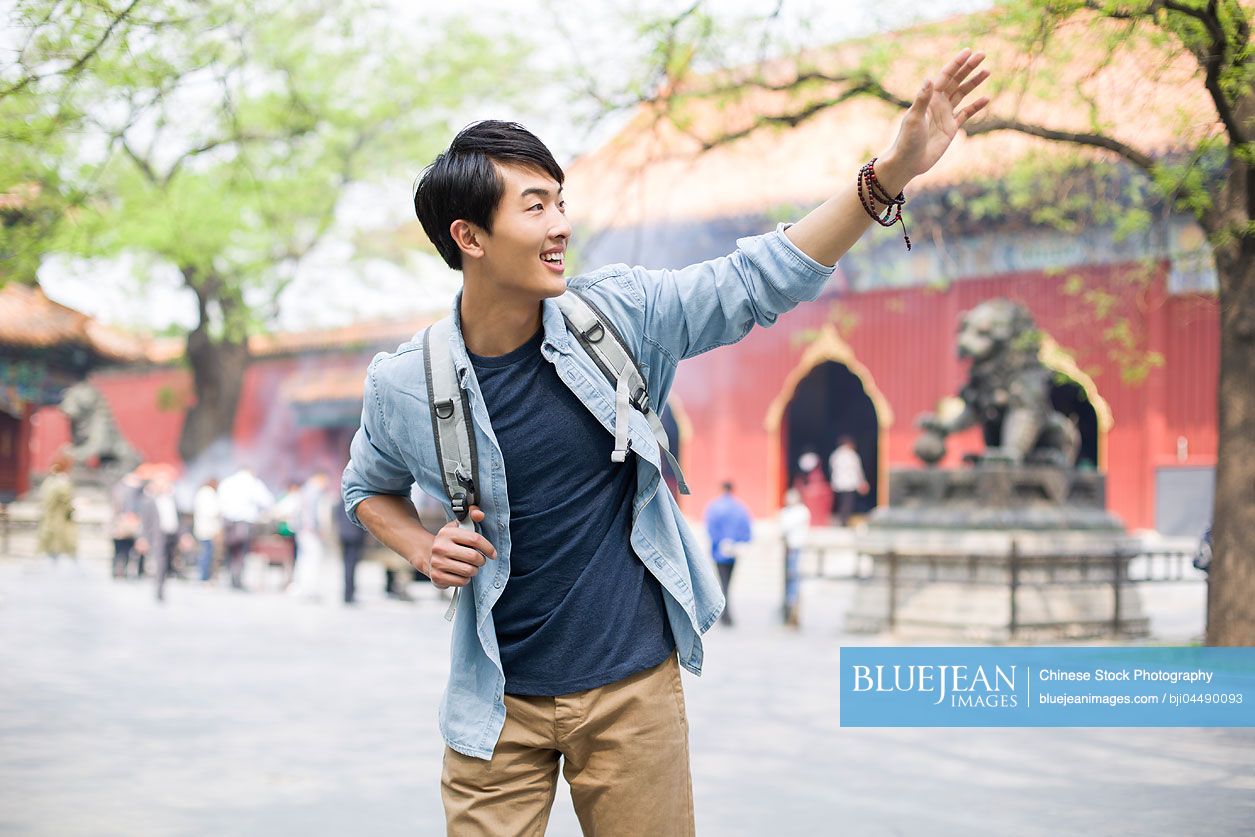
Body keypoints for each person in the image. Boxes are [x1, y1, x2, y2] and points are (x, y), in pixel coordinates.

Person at [342, 49, 989, 836]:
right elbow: (364, 488)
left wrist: (886, 176)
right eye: (535, 207)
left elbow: (758, 278)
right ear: (469, 237)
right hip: (494, 704)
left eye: (560, 202)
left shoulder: (620, 314)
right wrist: (416, 543)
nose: (561, 226)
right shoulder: (406, 382)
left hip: (631, 692)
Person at [217, 466, 275, 591]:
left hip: (228, 523)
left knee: (230, 551)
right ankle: (237, 579)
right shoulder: (253, 483)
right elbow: (266, 501)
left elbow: (220, 503)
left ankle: (231, 577)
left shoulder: (227, 482)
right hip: (244, 523)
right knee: (241, 552)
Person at [704, 481, 753, 627]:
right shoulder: (740, 508)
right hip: (734, 551)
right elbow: (746, 528)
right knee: (728, 583)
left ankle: (725, 613)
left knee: (723, 582)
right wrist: (738, 542)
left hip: (719, 551)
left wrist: (720, 542)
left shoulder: (714, 507)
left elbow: (710, 528)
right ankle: (727, 614)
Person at [289, 472, 331, 600]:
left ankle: (300, 588)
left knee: (303, 560)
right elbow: (315, 514)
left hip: (302, 531)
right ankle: (309, 589)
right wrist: (318, 529)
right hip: (311, 533)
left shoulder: (304, 490)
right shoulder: (315, 492)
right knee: (312, 561)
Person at [777, 488, 811, 627]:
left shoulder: (801, 511)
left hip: (796, 546)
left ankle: (792, 605)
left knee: (794, 577)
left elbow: (785, 526)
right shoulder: (786, 512)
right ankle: (788, 605)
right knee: (788, 578)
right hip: (787, 547)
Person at [36, 452, 77, 565]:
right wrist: (76, 506)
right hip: (59, 522)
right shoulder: (62, 483)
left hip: (47, 520)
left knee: (49, 550)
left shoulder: (48, 481)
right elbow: (67, 504)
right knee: (60, 550)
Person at [829, 435, 870, 527]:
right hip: (850, 483)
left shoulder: (835, 455)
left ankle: (842, 519)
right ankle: (843, 520)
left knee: (841, 502)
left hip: (838, 483)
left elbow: (832, 469)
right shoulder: (852, 455)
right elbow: (857, 470)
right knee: (848, 503)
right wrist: (862, 482)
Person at [109, 470, 143, 578]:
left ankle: (119, 571)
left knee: (122, 550)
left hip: (122, 524)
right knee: (123, 550)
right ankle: (119, 571)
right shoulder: (127, 490)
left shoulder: (118, 489)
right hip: (124, 523)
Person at [335, 491, 367, 605]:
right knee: (351, 566)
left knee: (347, 565)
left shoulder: (341, 499)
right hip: (355, 536)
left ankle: (347, 594)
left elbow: (336, 516)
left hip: (343, 535)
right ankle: (349, 594)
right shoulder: (358, 499)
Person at [192, 479, 221, 582]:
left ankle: (204, 575)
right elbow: (212, 511)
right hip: (208, 529)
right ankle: (205, 576)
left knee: (204, 552)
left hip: (202, 528)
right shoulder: (208, 494)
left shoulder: (200, 493)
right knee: (207, 553)